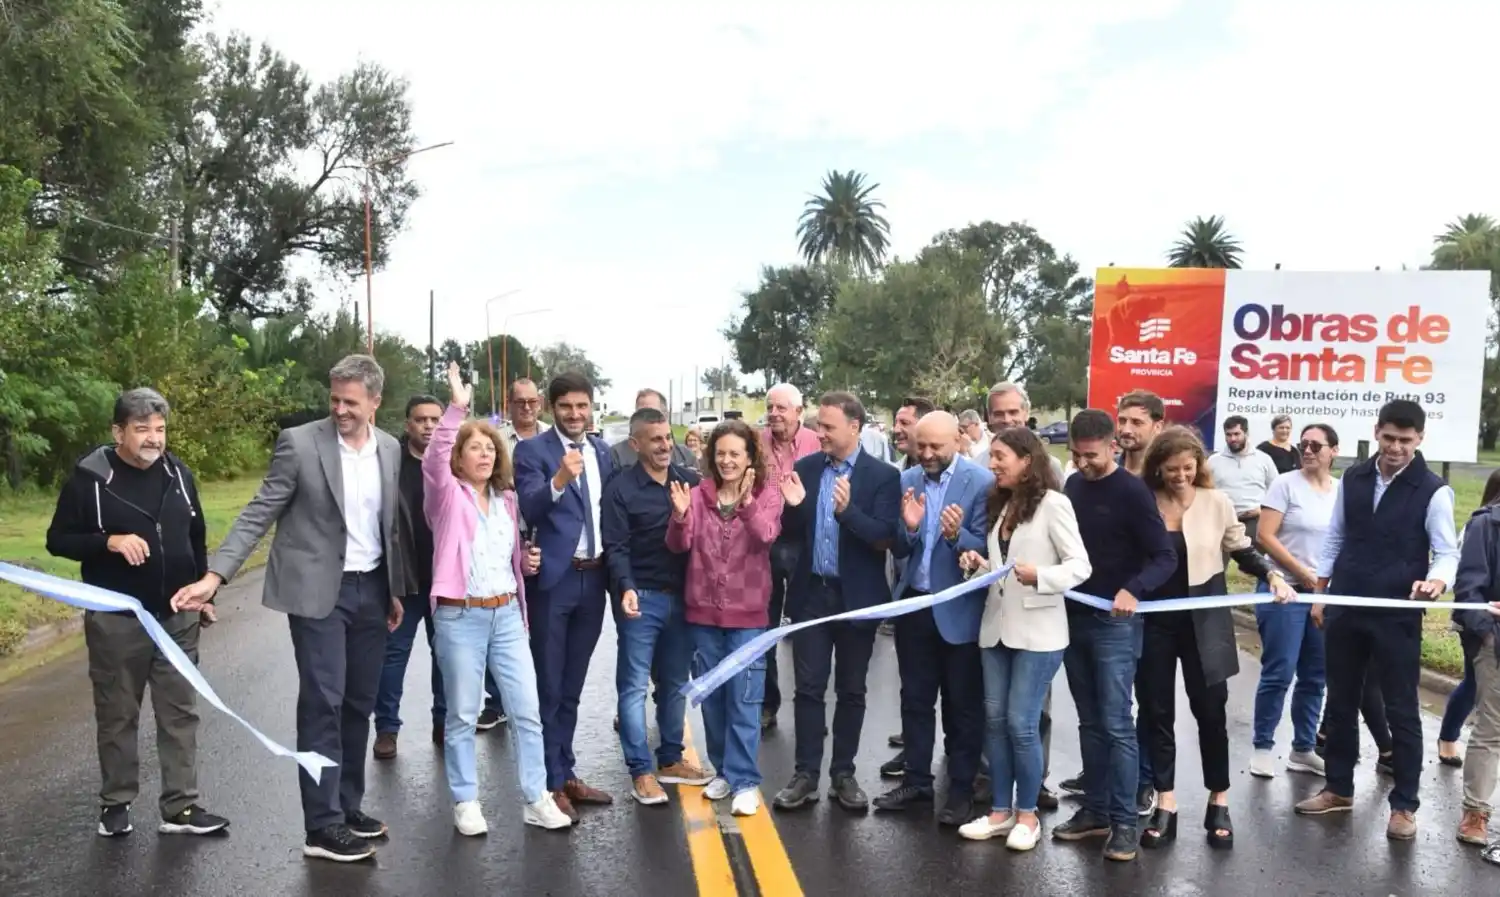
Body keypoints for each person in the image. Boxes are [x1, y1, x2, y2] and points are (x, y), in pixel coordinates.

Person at [171, 355, 406, 863]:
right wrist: (216, 576)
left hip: (372, 591)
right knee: (323, 701)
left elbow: (390, 527)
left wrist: (394, 591)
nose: (340, 409)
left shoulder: (389, 448)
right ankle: (321, 827)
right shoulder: (300, 443)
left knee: (359, 702)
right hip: (319, 594)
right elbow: (261, 509)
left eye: (351, 402)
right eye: (335, 399)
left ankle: (347, 807)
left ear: (375, 402)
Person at [45, 387, 229, 839]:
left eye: (160, 429)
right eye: (142, 428)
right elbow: (58, 539)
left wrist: (205, 596)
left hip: (178, 616)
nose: (154, 438)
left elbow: (196, 537)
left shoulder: (179, 474)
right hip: (118, 621)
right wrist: (107, 541)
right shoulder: (90, 479)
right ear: (119, 431)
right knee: (117, 713)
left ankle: (181, 807)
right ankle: (116, 803)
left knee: (180, 712)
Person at [1296, 400, 1459, 841]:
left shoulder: (1433, 490)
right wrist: (1320, 593)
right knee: (1342, 703)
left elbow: (1446, 553)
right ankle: (1338, 788)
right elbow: (1335, 537)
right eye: (1389, 438)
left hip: (1397, 614)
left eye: (1405, 440)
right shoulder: (1354, 476)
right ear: (1377, 431)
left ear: (1420, 439)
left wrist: (1436, 583)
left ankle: (1404, 805)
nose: (1395, 448)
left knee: (1402, 709)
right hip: (1347, 605)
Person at [423, 363, 572, 834]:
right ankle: (466, 801)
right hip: (460, 616)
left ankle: (536, 796)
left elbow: (510, 555)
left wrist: (523, 566)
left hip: (507, 613)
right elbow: (434, 456)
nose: (484, 455)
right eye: (474, 448)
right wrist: (458, 408)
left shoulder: (506, 500)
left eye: (490, 448)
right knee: (464, 713)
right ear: (460, 458)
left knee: (526, 709)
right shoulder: (446, 496)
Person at [1135, 427, 1293, 850]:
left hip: (1205, 617)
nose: (1181, 476)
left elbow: (1241, 548)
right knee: (1156, 710)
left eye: (1189, 468)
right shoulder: (1144, 500)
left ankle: (1218, 797)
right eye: (1172, 470)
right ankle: (1165, 801)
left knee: (1210, 712)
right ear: (1158, 468)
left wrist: (1272, 574)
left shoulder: (1217, 501)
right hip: (1154, 620)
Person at [956, 427, 1090, 850]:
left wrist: (1043, 577)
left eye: (999, 456)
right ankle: (1000, 812)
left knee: (1021, 723)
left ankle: (1027, 816)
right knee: (994, 723)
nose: (992, 464)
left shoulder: (1055, 505)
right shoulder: (1002, 504)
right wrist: (977, 564)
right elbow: (1001, 572)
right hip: (996, 629)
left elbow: (1080, 566)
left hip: (1040, 632)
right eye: (992, 456)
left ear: (1026, 461)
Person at [1053, 409, 1176, 862]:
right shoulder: (1072, 486)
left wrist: (1132, 589)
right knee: (1089, 720)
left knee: (1117, 723)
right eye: (1077, 455)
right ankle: (1095, 810)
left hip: (1115, 625)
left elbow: (1164, 556)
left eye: (1091, 456)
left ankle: (1125, 822)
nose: (1083, 464)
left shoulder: (1131, 491)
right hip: (1074, 617)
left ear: (1113, 447)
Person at [772, 391, 901, 812]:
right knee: (808, 689)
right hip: (812, 595)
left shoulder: (882, 476)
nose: (818, 433)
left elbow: (886, 537)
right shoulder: (807, 468)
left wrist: (847, 514)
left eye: (827, 426)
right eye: (817, 425)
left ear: (854, 427)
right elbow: (791, 531)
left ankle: (842, 775)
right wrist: (792, 509)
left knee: (851, 689)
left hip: (856, 599)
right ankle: (805, 773)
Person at [512, 371, 617, 819]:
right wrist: (557, 479)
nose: (575, 414)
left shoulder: (603, 452)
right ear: (552, 408)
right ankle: (548, 782)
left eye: (582, 406)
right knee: (548, 685)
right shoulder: (532, 451)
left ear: (592, 407)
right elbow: (529, 506)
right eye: (566, 406)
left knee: (572, 685)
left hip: (594, 581)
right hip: (553, 582)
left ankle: (566, 771)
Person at [666, 419, 785, 815]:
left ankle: (746, 780)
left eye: (735, 453)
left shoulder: (767, 495)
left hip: (749, 616)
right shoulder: (698, 495)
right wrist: (681, 517)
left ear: (750, 458)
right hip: (703, 615)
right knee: (713, 700)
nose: (727, 461)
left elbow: (766, 535)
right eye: (721, 454)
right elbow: (679, 545)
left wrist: (747, 502)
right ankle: (724, 773)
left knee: (745, 700)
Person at [877, 412, 989, 825]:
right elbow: (902, 549)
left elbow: (987, 550)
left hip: (959, 610)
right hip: (915, 608)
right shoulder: (907, 482)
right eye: (919, 446)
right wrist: (908, 530)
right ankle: (917, 781)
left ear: (958, 441)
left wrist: (957, 535)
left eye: (935, 447)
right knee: (916, 701)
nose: (925, 454)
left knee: (962, 707)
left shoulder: (980, 483)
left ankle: (961, 791)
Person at [601, 406, 715, 806]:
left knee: (674, 684)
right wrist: (626, 588)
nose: (665, 445)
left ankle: (671, 759)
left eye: (668, 437)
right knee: (633, 687)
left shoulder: (689, 482)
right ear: (636, 445)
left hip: (683, 599)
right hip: (641, 598)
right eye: (656, 439)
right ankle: (641, 771)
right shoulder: (620, 489)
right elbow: (615, 547)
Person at [1250, 424, 1340, 779]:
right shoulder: (1284, 484)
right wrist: (1302, 574)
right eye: (1304, 444)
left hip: (1322, 593)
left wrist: (1324, 585)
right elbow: (1265, 536)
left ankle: (1303, 749)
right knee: (1279, 671)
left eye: (1316, 445)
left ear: (1334, 450)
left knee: (1315, 675)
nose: (1308, 450)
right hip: (1283, 590)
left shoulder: (1342, 491)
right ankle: (1262, 746)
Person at [374, 394, 447, 760]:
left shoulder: (452, 463)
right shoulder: (390, 465)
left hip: (445, 581)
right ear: (408, 425)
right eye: (421, 420)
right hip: (404, 580)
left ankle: (443, 722)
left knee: (446, 656)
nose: (429, 426)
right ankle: (386, 729)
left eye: (435, 419)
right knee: (393, 656)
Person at [759, 383, 823, 732]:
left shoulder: (816, 443)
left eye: (782, 408)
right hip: (765, 545)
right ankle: (768, 704)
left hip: (804, 544)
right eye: (770, 407)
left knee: (805, 628)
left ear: (799, 411)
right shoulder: (756, 444)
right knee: (764, 628)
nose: (774, 414)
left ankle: (808, 707)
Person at [1452, 469, 1500, 860]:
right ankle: (1475, 814)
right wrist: (1485, 629)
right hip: (1495, 641)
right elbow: (1469, 586)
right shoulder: (1486, 525)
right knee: (1493, 727)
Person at [1206, 415, 1279, 550]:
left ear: (1246, 433)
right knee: (1216, 567)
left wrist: (1262, 509)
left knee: (1259, 567)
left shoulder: (1263, 459)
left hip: (1254, 520)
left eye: (1237, 434)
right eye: (1228, 435)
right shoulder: (1213, 461)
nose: (1233, 439)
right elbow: (1205, 490)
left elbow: (1277, 489)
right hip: (1223, 520)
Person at [609, 388, 696, 470]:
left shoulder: (685, 456)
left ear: (666, 415)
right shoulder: (617, 454)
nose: (645, 419)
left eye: (652, 414)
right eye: (640, 414)